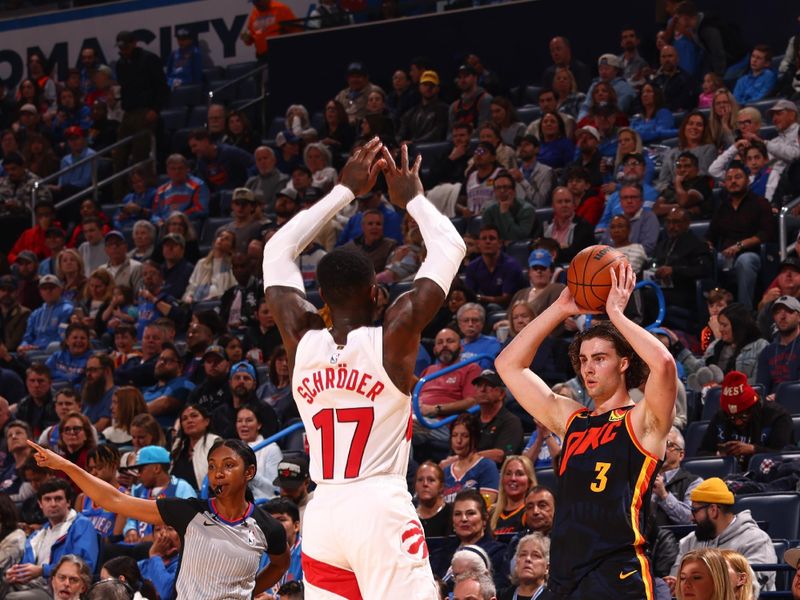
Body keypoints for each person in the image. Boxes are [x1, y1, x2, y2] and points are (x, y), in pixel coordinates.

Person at [263, 139, 464, 597]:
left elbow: (277, 250)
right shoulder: (392, 337)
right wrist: (411, 197)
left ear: (323, 301)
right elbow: (450, 246)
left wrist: (342, 192)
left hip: (324, 511)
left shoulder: (300, 339)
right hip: (378, 504)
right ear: (376, 295)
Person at [496, 261, 677, 598]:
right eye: (582, 359)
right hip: (565, 577)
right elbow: (508, 365)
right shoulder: (573, 421)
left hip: (617, 576)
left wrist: (617, 316)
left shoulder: (642, 421)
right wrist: (560, 307)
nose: (588, 368)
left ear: (623, 363)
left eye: (599, 358)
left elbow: (664, 365)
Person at [29, 437, 290, 599]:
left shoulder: (268, 527)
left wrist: (249, 591)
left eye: (228, 465)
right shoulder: (189, 512)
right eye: (212, 466)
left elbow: (280, 564)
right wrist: (65, 466)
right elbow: (115, 500)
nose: (218, 473)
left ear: (250, 472)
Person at [666, 478, 775, 594]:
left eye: (694, 511)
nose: (691, 518)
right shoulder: (689, 541)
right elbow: (676, 579)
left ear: (713, 510)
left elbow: (749, 586)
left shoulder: (756, 540)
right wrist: (673, 584)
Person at [5, 478, 98, 599]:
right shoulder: (39, 533)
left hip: (58, 589)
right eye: (47, 499)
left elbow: (85, 566)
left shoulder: (81, 525)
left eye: (58, 498)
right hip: (31, 585)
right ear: (40, 504)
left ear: (68, 502)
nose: (53, 504)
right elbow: (26, 565)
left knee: (13, 598)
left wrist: (42, 571)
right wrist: (16, 574)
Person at [706, 163, 774, 311]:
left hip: (752, 253)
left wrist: (740, 246)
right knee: (707, 260)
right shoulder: (722, 207)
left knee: (745, 261)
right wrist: (709, 246)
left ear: (747, 180)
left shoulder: (760, 203)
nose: (733, 181)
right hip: (725, 256)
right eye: (729, 178)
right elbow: (710, 235)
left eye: (738, 177)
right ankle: (712, 312)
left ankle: (745, 312)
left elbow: (766, 234)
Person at [697, 371, 793, 468]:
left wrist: (753, 449)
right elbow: (701, 454)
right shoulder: (720, 416)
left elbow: (785, 456)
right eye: (732, 417)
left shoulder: (778, 416)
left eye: (743, 416)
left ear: (753, 407)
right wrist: (719, 455)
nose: (738, 422)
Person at [431, 489, 510, 591]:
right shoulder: (441, 553)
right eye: (458, 514)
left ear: (485, 519)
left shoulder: (499, 553)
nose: (463, 519)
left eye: (471, 513)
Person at [442, 413, 500, 504]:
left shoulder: (487, 467)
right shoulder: (446, 471)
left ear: (475, 438)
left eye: (465, 436)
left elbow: (486, 506)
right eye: (454, 435)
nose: (458, 441)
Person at [652, 427, 703, 526]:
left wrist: (664, 495)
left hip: (677, 538)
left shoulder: (694, 482)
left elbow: (691, 519)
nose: (661, 449)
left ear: (681, 455)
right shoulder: (643, 479)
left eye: (668, 445)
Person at [235, 404, 282, 501]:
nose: (243, 424)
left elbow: (276, 489)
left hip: (265, 504)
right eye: (239, 421)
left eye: (249, 420)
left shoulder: (271, 448)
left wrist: (251, 474)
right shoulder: (233, 450)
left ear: (259, 425)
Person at [757, 295, 800, 396]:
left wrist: (781, 395)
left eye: (788, 311)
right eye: (777, 312)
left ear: (799, 317)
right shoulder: (767, 352)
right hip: (771, 407)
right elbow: (762, 387)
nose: (782, 316)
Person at [489, 455, 535, 537]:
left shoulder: (531, 512)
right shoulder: (490, 512)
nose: (513, 478)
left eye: (519, 474)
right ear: (502, 480)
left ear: (529, 481)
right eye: (508, 474)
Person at [499, 532, 549, 600]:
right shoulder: (501, 596)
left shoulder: (557, 597)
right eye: (523, 555)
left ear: (547, 568)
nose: (527, 559)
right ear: (516, 562)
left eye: (535, 555)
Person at [415, 461, 451, 538]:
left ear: (441, 486)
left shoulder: (452, 514)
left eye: (431, 480)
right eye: (420, 480)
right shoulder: (410, 516)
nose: (425, 484)